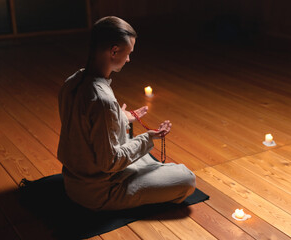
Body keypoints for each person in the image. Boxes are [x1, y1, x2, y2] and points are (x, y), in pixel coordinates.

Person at [57, 16, 196, 211]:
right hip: (99, 192)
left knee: (132, 142)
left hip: (72, 182)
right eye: (128, 53)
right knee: (186, 178)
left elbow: (82, 129)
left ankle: (146, 170)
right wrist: (148, 137)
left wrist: (121, 119)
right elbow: (110, 162)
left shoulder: (72, 80)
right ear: (114, 51)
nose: (129, 59)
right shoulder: (102, 99)